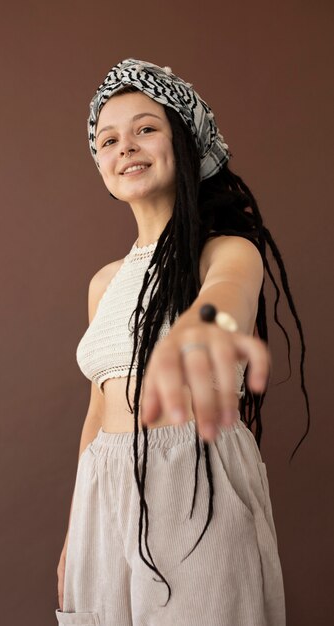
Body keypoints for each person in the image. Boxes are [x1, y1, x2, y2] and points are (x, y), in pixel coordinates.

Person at [55, 59, 310, 626]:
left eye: (146, 128)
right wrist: (78, 528)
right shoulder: (105, 283)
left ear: (186, 140)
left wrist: (201, 329)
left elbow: (230, 299)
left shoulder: (225, 251)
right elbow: (97, 412)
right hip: (106, 498)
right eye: (108, 139)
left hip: (192, 487)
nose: (126, 147)